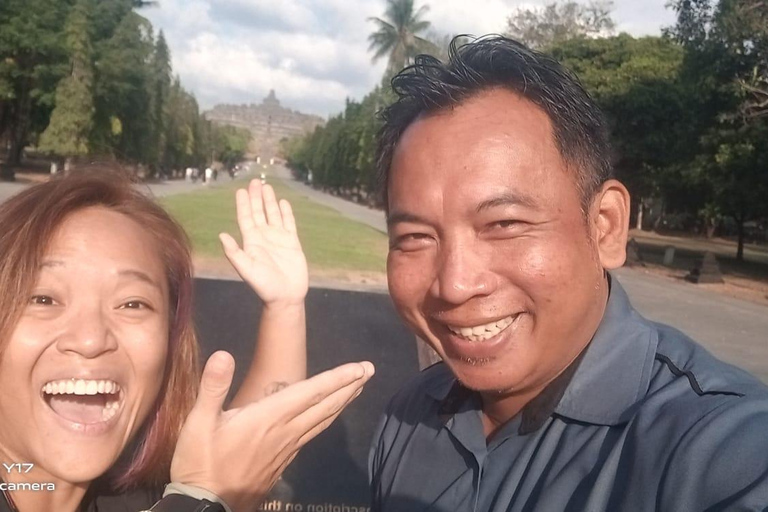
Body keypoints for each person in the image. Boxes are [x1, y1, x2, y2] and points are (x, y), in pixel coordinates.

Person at [367, 36, 768, 511]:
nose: (454, 285)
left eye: (504, 224)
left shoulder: (718, 446)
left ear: (606, 227)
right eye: (414, 238)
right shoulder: (410, 413)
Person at [0, 169, 374, 512]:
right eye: (43, 299)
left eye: (132, 303)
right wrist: (198, 502)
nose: (90, 339)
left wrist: (284, 307)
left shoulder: (130, 494)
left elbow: (240, 451)